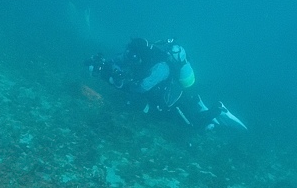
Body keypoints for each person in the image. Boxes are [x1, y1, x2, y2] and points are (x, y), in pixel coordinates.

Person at [87, 38, 247, 130]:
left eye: (134, 58)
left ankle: (218, 110)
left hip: (171, 101)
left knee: (193, 125)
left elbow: (141, 88)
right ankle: (197, 102)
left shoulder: (160, 67)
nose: (130, 60)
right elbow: (117, 60)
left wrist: (120, 83)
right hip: (160, 96)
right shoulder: (133, 53)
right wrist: (108, 68)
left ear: (141, 56)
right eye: (130, 55)